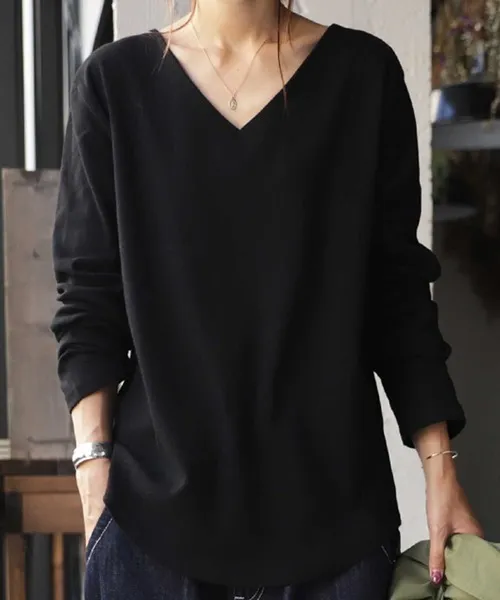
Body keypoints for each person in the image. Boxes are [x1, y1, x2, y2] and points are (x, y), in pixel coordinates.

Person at [50, 1, 483, 599]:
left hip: (336, 534)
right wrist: (94, 477)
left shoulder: (364, 75)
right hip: (149, 536)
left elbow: (398, 294)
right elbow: (88, 299)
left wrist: (441, 472)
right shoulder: (112, 83)